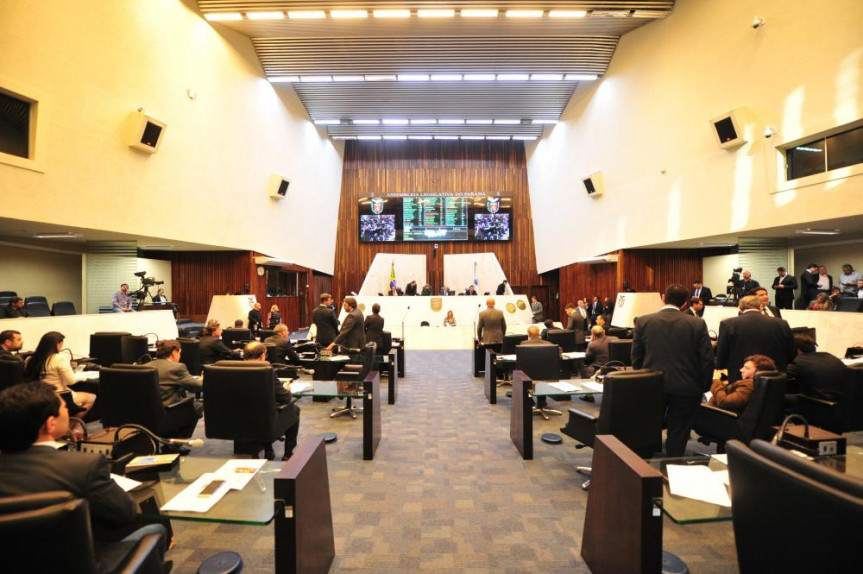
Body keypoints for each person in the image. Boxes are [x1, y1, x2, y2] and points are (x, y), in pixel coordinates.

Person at [0, 383, 169, 555]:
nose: (68, 412)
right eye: (65, 408)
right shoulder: (84, 466)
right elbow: (125, 514)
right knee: (155, 530)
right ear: (50, 424)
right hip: (78, 563)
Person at [631, 283, 714, 457]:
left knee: (649, 425)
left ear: (663, 297)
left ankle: (644, 468)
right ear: (685, 303)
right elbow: (706, 359)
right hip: (687, 387)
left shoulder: (643, 321)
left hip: (651, 385)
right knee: (679, 430)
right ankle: (673, 467)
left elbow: (636, 358)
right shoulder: (697, 324)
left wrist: (641, 381)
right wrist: (704, 387)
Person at [715, 295, 796, 384]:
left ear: (740, 308)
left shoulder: (728, 324)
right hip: (773, 377)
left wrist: (721, 366)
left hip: (739, 377)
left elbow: (721, 352)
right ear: (761, 307)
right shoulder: (781, 324)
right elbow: (792, 352)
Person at [243, 342, 300, 460]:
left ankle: (267, 448)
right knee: (294, 409)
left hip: (239, 418)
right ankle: (288, 454)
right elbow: (285, 398)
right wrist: (286, 389)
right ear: (263, 355)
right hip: (266, 419)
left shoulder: (230, 368)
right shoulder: (266, 370)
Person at [23, 331, 95, 412]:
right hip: (59, 395)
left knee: (79, 404)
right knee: (92, 397)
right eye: (61, 344)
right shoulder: (59, 358)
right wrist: (81, 376)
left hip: (39, 396)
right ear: (57, 344)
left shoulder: (29, 359)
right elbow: (71, 381)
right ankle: (74, 424)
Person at [149, 339, 203, 441]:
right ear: (174, 353)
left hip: (144, 416)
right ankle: (175, 444)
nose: (180, 356)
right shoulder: (176, 367)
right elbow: (196, 386)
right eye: (180, 353)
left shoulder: (145, 366)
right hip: (165, 414)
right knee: (197, 406)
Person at [787, 334, 849, 404]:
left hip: (820, 404)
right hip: (843, 403)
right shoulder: (829, 355)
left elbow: (781, 375)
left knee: (780, 398)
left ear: (798, 350)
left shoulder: (800, 361)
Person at [708, 354, 776, 413]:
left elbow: (723, 402)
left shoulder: (749, 385)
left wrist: (716, 380)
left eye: (746, 368)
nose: (741, 370)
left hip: (716, 415)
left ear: (759, 373)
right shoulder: (757, 384)